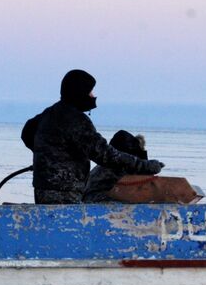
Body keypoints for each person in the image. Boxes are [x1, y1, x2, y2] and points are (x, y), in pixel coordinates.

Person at [21, 70, 164, 204]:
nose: (93, 96)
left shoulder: (50, 113)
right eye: (90, 91)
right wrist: (145, 166)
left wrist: (47, 158)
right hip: (65, 190)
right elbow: (105, 155)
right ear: (79, 92)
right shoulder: (76, 120)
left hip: (42, 187)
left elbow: (27, 133)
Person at [83, 130, 149, 202]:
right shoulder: (122, 167)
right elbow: (145, 184)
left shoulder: (104, 164)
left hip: (87, 200)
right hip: (96, 202)